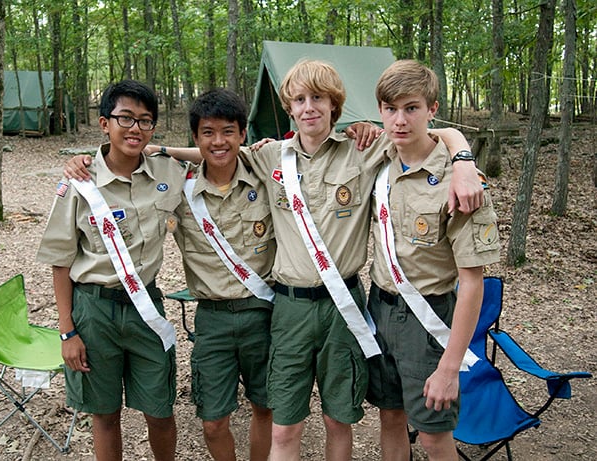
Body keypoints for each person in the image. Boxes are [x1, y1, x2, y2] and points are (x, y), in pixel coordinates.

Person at [234, 59, 482, 461]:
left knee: (342, 421)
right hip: (296, 308)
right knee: (304, 425)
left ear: (336, 105)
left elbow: (436, 132)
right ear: (288, 107)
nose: (309, 107)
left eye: (319, 98)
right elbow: (219, 153)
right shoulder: (269, 157)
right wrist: (153, 148)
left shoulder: (366, 150)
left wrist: (464, 162)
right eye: (299, 99)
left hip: (347, 307)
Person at [36, 79, 190, 461]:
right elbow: (61, 261)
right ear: (105, 124)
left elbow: (218, 152)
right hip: (94, 310)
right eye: (125, 118)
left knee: (160, 410)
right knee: (105, 415)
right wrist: (67, 330)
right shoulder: (79, 183)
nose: (135, 128)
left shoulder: (167, 173)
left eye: (145, 121)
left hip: (146, 309)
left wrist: (163, 148)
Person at [365, 60, 500, 461]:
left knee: (432, 434)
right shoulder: (379, 156)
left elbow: (472, 282)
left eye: (411, 108)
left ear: (432, 109)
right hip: (379, 308)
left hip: (429, 318)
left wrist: (448, 367)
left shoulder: (461, 183)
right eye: (390, 109)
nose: (400, 120)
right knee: (390, 417)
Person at [172, 88, 275, 460]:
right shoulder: (177, 190)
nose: (219, 141)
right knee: (213, 421)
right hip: (212, 319)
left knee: (267, 407)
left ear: (243, 134)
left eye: (228, 131)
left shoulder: (268, 176)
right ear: (196, 137)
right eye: (208, 132)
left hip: (262, 312)